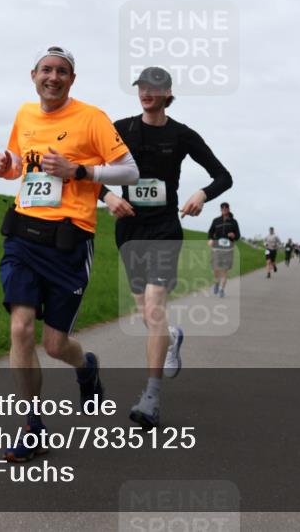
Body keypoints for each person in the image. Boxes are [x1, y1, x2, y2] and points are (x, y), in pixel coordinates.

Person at [0, 46, 138, 460]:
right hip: (22, 233)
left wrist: (79, 171)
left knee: (55, 345)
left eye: (62, 72)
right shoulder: (24, 114)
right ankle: (31, 425)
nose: (53, 77)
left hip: (69, 240)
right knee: (20, 329)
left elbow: (130, 170)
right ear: (33, 74)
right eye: (46, 70)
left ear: (72, 80)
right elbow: (20, 165)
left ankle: (85, 365)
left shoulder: (91, 118)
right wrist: (4, 165)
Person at [99, 66, 232, 429]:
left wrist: (202, 194)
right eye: (141, 86)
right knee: (147, 311)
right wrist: (108, 196)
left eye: (153, 87)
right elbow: (87, 168)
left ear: (167, 92)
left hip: (164, 229)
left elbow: (224, 176)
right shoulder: (120, 129)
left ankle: (151, 397)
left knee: (155, 306)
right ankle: (172, 337)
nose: (146, 91)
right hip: (129, 229)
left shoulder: (182, 135)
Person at [208, 202, 240, 298]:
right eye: (223, 208)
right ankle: (217, 283)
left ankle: (222, 290)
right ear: (221, 209)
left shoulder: (234, 222)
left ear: (229, 209)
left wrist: (234, 235)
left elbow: (238, 235)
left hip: (228, 249)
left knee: (225, 270)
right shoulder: (216, 221)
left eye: (226, 208)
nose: (224, 209)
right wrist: (210, 240)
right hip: (217, 248)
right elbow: (210, 232)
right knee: (216, 269)